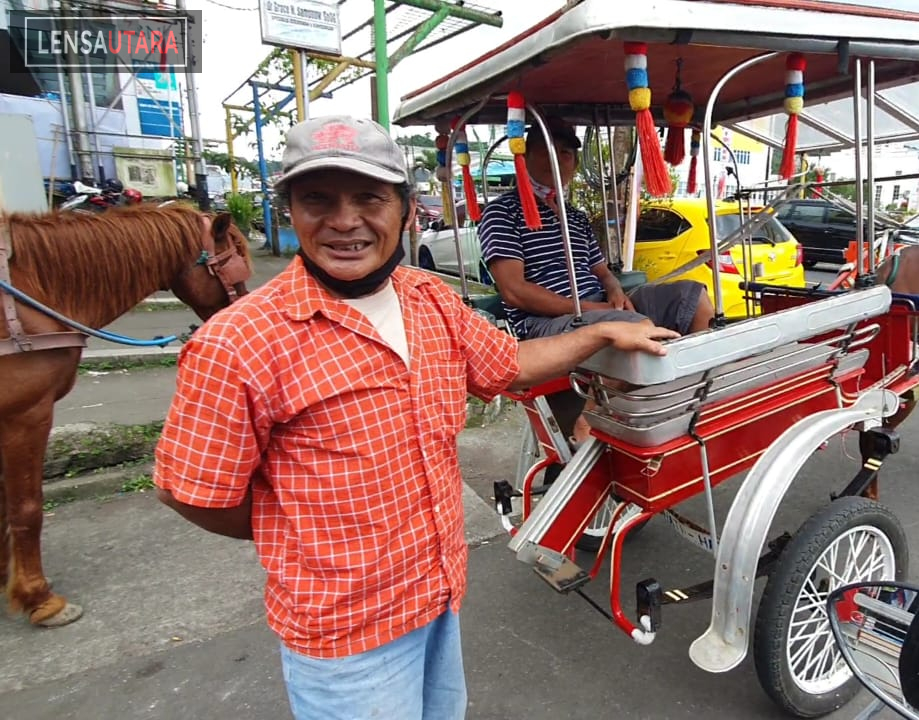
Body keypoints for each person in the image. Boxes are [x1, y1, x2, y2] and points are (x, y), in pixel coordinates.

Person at [151, 114, 678, 720]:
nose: (345, 221)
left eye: (369, 198)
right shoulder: (239, 341)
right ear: (290, 212)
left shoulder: (429, 302)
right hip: (346, 637)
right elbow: (194, 492)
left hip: (438, 598)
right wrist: (300, 529)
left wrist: (600, 333)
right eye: (316, 198)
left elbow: (510, 361)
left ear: (405, 211)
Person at [478, 116, 715, 443]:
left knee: (693, 296)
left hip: (595, 306)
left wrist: (615, 291)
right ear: (525, 156)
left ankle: (682, 396)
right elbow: (514, 291)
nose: (558, 160)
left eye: (566, 153)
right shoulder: (502, 213)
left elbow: (603, 272)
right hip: (543, 324)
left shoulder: (574, 216)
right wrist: (592, 307)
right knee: (636, 327)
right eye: (548, 151)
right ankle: (588, 422)